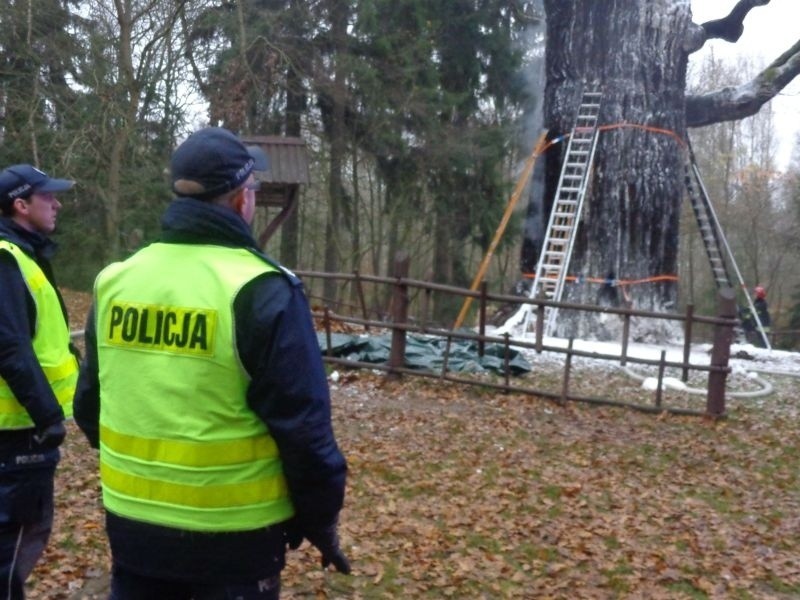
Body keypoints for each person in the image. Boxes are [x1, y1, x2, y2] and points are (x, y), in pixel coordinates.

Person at [73, 127, 349, 600]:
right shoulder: (261, 289)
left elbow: (89, 407)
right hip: (235, 543)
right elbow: (304, 429)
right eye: (254, 190)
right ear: (243, 199)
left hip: (132, 531)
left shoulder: (116, 281)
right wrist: (319, 520)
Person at [0, 164, 77, 598]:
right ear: (21, 204)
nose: (58, 203)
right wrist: (48, 416)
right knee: (11, 551)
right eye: (49, 196)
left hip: (20, 433)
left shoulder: (21, 255)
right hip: (15, 437)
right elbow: (9, 345)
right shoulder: (6, 258)